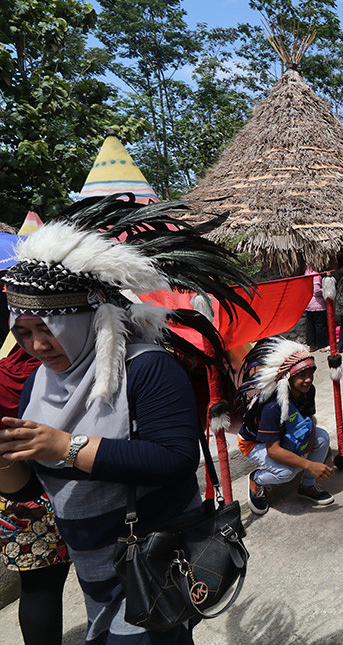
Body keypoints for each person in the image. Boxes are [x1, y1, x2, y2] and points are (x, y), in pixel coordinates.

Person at [0, 195, 254, 644]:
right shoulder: (39, 384)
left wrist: (65, 446)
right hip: (95, 566)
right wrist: (7, 461)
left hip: (156, 559)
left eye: (48, 328)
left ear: (85, 317)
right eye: (23, 332)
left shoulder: (148, 367)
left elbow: (173, 458)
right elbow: (37, 489)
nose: (37, 345)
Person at [1, 345, 71, 645]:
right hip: (74, 463)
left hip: (12, 477)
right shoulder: (60, 331)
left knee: (40, 584)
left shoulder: (20, 336)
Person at [236, 337, 335, 514]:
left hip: (285, 434)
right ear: (288, 377)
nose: (308, 380)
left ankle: (307, 486)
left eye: (311, 374)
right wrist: (308, 464)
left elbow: (308, 418)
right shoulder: (272, 406)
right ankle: (258, 479)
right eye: (302, 375)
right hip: (256, 443)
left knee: (322, 437)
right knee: (287, 472)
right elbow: (272, 450)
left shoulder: (308, 390)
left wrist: (308, 442)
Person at [303, 262, 328, 351]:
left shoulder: (306, 275)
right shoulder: (316, 276)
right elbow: (316, 290)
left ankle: (312, 345)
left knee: (310, 325)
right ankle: (321, 344)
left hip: (309, 304)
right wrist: (325, 290)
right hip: (317, 304)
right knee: (320, 325)